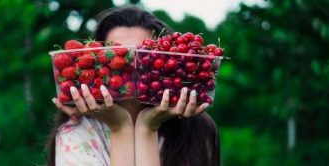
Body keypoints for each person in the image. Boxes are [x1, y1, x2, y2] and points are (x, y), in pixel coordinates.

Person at [47, 6, 220, 166]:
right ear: (97, 61)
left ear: (167, 63)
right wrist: (120, 127)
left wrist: (148, 127)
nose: (130, 63)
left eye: (143, 55)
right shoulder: (77, 132)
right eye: (118, 54)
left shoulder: (198, 130)